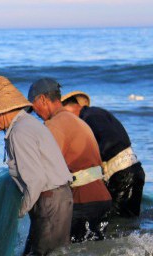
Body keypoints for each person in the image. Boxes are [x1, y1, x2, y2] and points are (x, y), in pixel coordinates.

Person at [0, 76, 73, 255]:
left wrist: (18, 211)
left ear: (1, 111)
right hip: (56, 199)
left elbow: (36, 180)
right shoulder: (26, 124)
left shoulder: (19, 132)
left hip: (50, 202)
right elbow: (25, 175)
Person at [28, 78, 113, 243]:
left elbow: (44, 168)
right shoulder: (77, 121)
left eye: (34, 107)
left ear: (43, 100)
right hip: (102, 198)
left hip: (83, 200)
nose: (36, 114)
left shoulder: (54, 125)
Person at [61, 91, 145, 218]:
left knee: (118, 222)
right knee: (128, 220)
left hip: (123, 175)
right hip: (131, 170)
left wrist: (94, 160)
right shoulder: (96, 113)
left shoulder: (89, 117)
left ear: (69, 107)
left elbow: (110, 140)